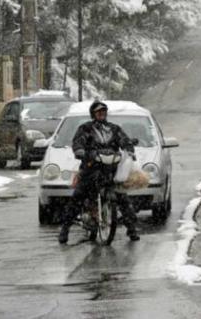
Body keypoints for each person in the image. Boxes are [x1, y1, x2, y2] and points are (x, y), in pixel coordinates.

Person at [58, 101, 140, 244]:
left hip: (110, 171)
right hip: (91, 169)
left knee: (122, 198)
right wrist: (81, 152)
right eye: (98, 112)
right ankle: (65, 228)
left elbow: (124, 141)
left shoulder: (114, 129)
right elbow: (77, 143)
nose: (101, 114)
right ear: (93, 114)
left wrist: (129, 149)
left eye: (103, 111)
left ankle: (132, 229)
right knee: (78, 196)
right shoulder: (85, 128)